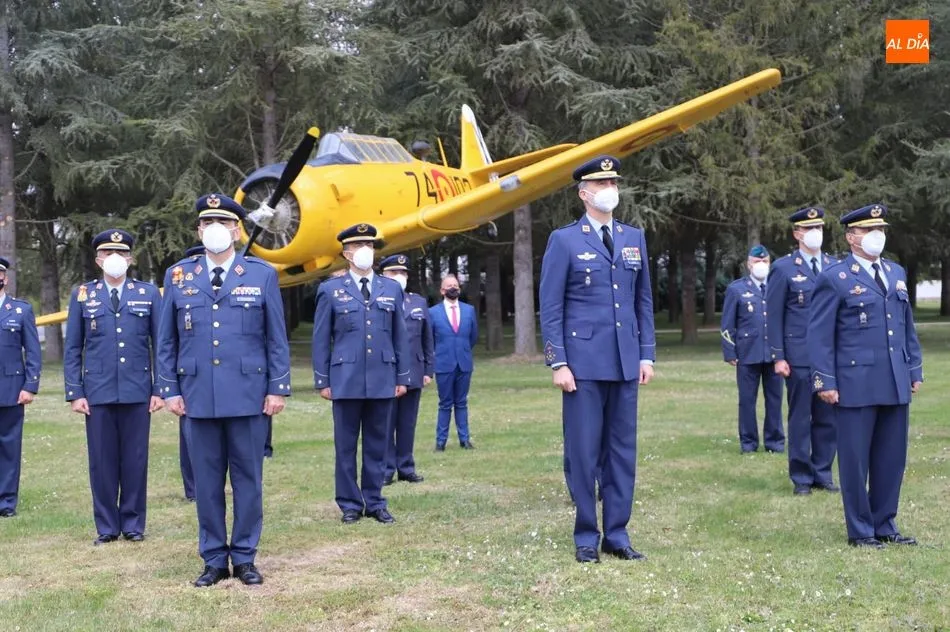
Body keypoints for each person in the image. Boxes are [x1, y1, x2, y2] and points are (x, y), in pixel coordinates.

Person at [157, 193, 290, 587]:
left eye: (223, 223)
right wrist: (169, 389)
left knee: (248, 480)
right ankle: (214, 558)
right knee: (207, 482)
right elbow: (167, 340)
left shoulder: (261, 274)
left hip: (249, 394)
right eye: (206, 223)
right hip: (197, 395)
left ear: (237, 229)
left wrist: (277, 388)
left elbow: (276, 338)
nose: (215, 230)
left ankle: (245, 557)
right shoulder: (179, 275)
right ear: (199, 230)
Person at [539, 155, 656, 563]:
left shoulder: (633, 237)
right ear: (583, 193)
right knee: (584, 452)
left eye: (614, 182)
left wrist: (646, 355)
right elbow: (551, 307)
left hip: (625, 362)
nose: (610, 190)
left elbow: (643, 302)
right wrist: (558, 362)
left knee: (622, 451)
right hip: (583, 365)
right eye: (601, 184)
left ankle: (618, 534)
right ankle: (587, 535)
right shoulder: (565, 240)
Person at [809, 204, 922, 548]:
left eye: (882, 229)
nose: (878, 236)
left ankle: (885, 524)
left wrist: (914, 369)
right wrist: (824, 381)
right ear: (851, 237)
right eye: (869, 230)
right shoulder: (835, 277)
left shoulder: (896, 272)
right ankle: (861, 530)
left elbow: (906, 327)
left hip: (893, 378)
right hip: (855, 382)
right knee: (856, 461)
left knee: (891, 457)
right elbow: (819, 334)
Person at [63, 230, 164, 544]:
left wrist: (160, 389)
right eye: (107, 253)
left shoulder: (148, 294)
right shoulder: (83, 295)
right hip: (98, 392)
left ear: (131, 259)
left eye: (120, 253)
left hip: (137, 390)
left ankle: (133, 523)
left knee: (135, 459)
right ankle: (107, 526)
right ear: (98, 259)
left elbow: (161, 344)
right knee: (102, 461)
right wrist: (75, 392)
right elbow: (72, 348)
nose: (114, 258)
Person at [312, 223, 410, 524]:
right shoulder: (330, 290)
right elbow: (320, 338)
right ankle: (350, 504)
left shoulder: (391, 288)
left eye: (369, 244)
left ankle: (375, 501)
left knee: (378, 443)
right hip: (345, 378)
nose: (366, 250)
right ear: (346, 253)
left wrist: (402, 377)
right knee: (345, 446)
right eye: (359, 245)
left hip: (382, 376)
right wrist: (323, 380)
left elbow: (400, 336)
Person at [766, 207, 838, 495]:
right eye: (809, 228)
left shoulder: (833, 266)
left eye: (819, 227)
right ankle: (802, 478)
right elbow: (773, 315)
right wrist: (778, 356)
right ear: (797, 233)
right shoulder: (784, 268)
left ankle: (823, 473)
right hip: (797, 357)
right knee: (800, 418)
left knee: (828, 418)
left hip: (828, 357)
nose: (815, 233)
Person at [720, 245, 785, 453]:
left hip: (775, 354)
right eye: (757, 262)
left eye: (764, 261)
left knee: (775, 401)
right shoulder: (736, 288)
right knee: (747, 401)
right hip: (747, 353)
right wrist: (730, 352)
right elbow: (727, 324)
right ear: (749, 264)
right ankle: (748, 443)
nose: (761, 265)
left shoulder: (778, 286)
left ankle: (775, 442)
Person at [379, 254, 434, 485]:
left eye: (402, 273)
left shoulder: (418, 302)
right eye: (393, 273)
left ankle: (406, 466)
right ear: (383, 275)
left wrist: (428, 369)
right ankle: (387, 469)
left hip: (414, 370)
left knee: (407, 423)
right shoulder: (378, 300)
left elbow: (427, 338)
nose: (399, 277)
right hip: (387, 372)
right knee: (386, 422)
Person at [0, 256, 41, 518]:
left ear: (4, 278)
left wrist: (30, 386)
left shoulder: (20, 310)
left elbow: (33, 352)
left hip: (11, 388)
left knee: (9, 446)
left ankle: (5, 502)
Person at [429, 274, 478, 451]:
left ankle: (464, 440)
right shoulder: (433, 313)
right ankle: (440, 442)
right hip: (443, 363)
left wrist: (462, 351)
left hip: (464, 363)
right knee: (444, 404)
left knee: (462, 402)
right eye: (449, 286)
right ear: (442, 290)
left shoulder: (469, 310)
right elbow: (430, 339)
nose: (453, 288)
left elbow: (473, 337)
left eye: (455, 285)